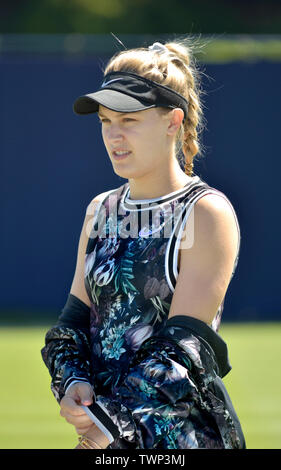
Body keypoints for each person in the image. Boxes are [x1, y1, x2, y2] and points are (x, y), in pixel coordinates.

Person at [41, 39, 246, 450]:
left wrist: (107, 422)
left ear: (173, 121)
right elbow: (70, 328)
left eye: (129, 120)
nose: (113, 136)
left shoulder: (206, 212)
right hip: (108, 438)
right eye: (104, 121)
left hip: (183, 441)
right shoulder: (100, 210)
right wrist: (74, 381)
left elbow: (183, 349)